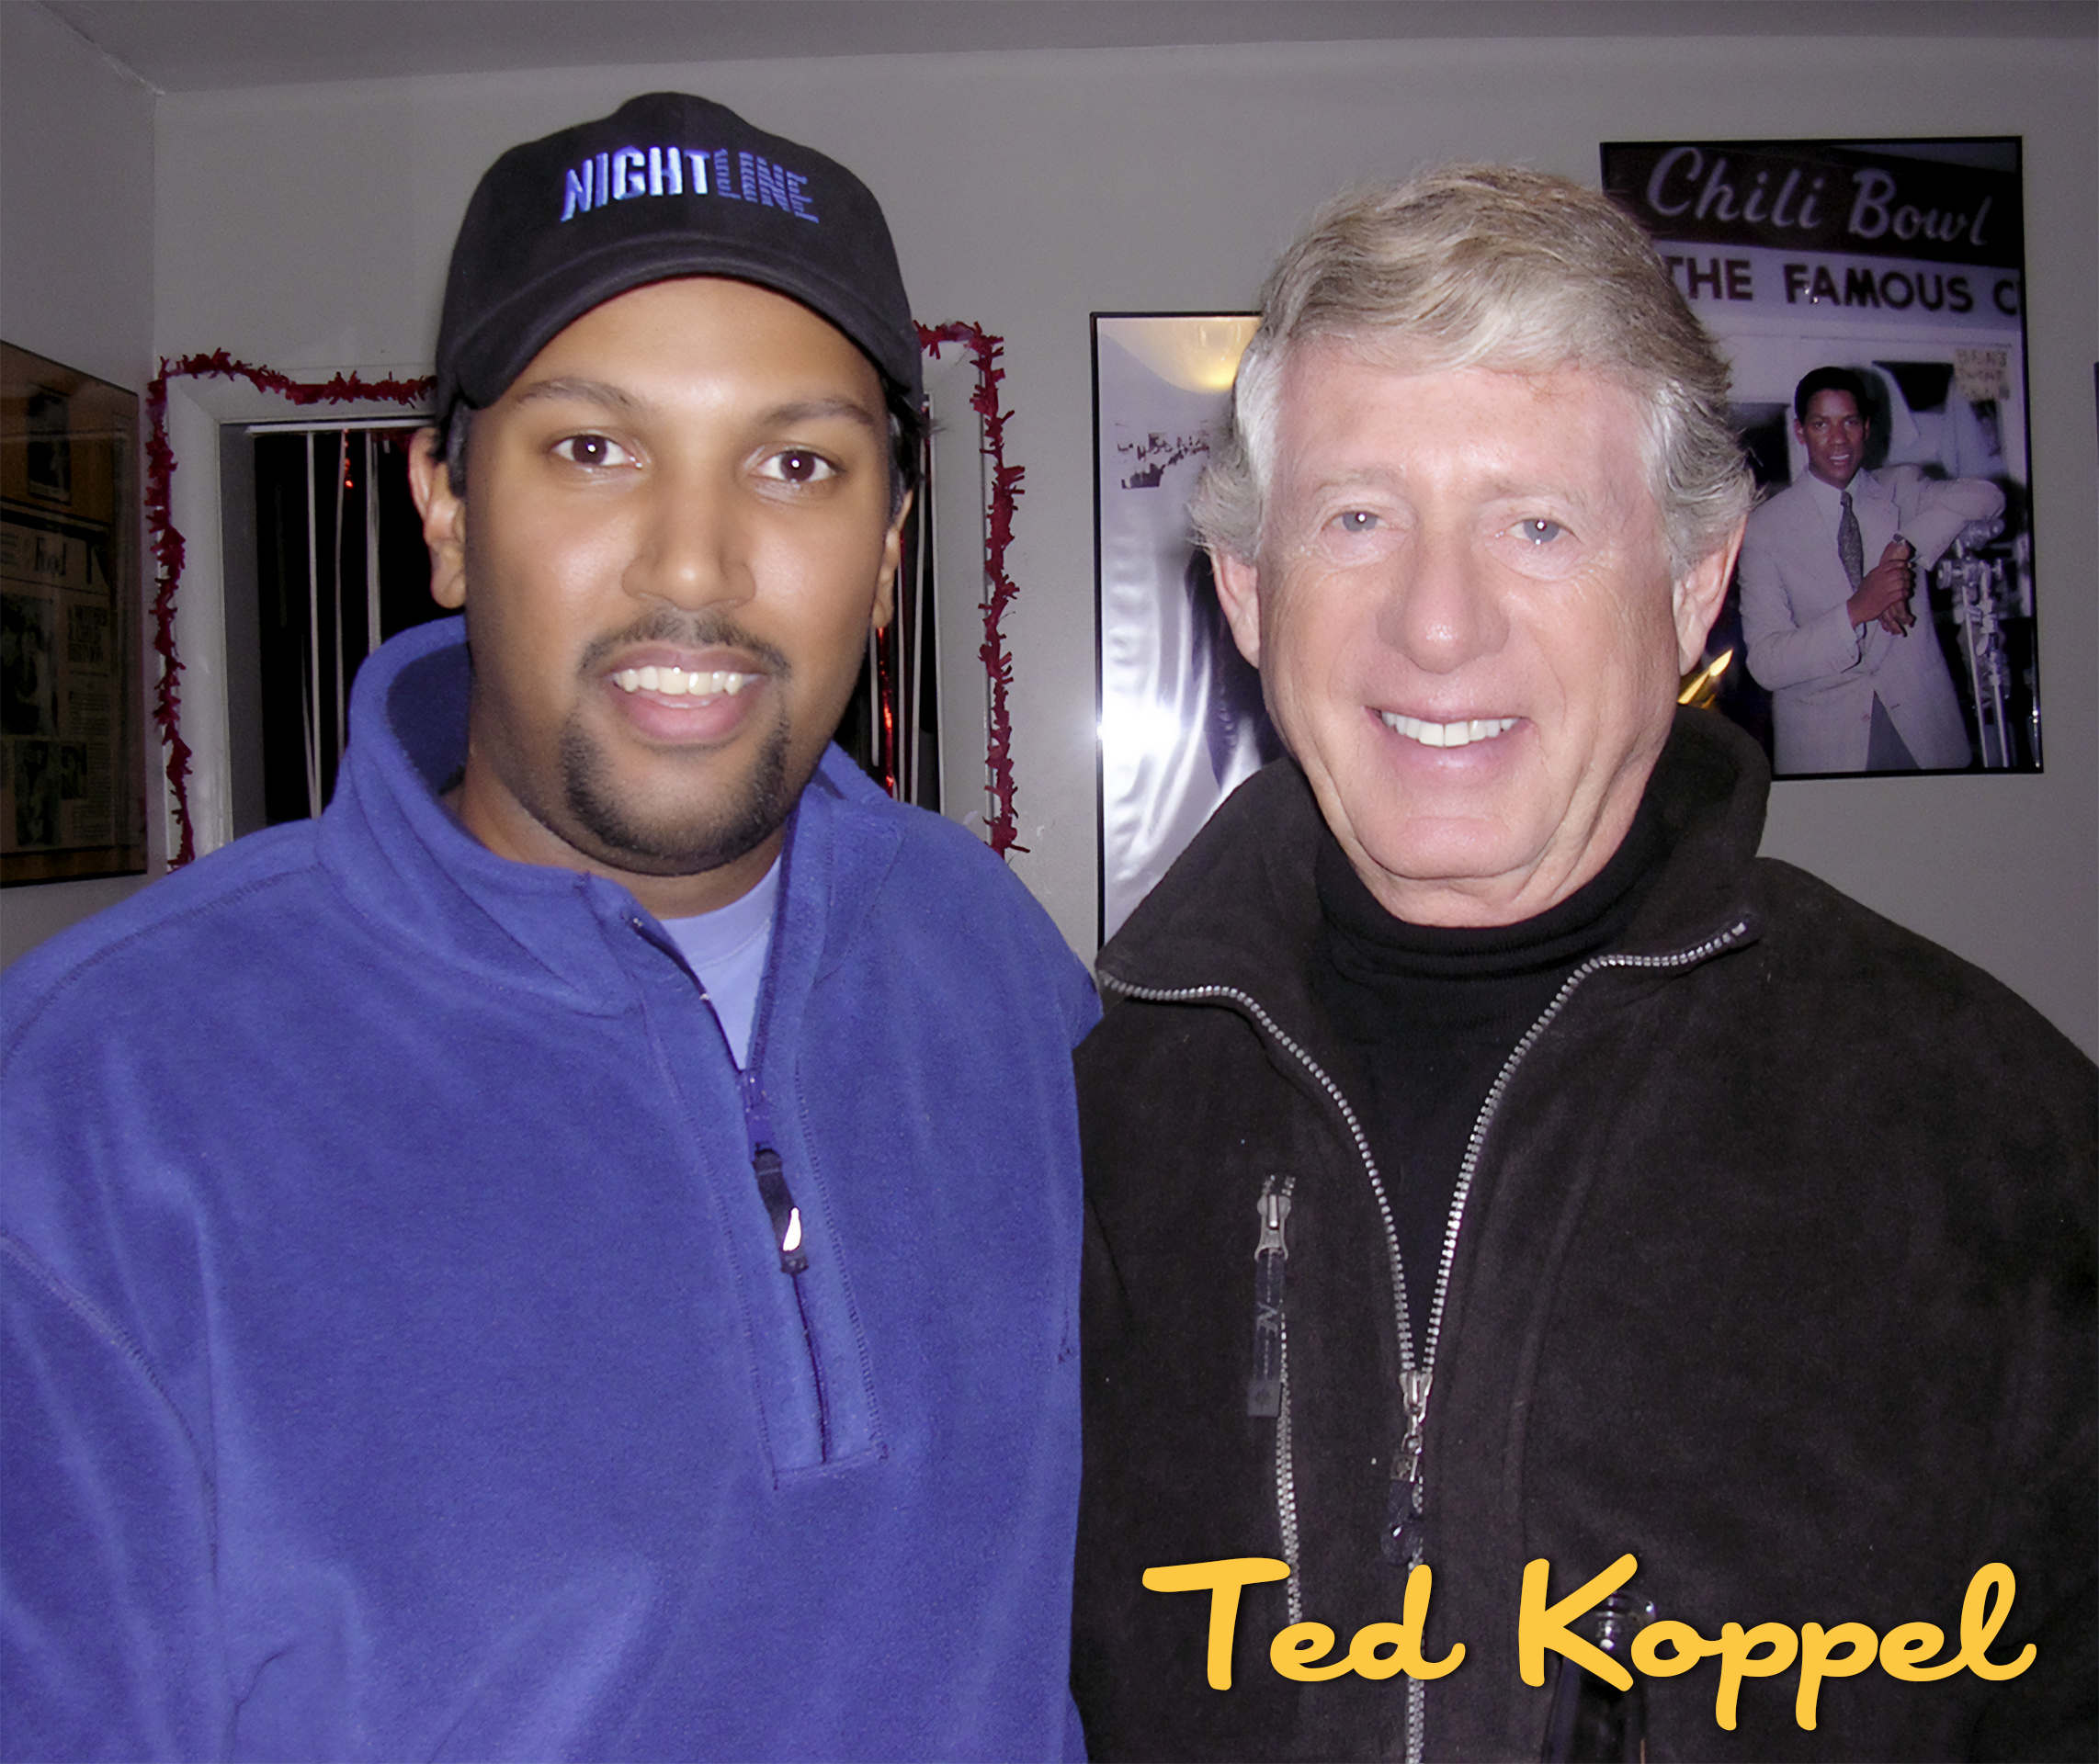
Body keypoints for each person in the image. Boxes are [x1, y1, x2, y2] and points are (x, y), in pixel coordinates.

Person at [0, 93, 1097, 1762]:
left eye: (795, 465)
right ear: (443, 507)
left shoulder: (991, 962)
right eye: (592, 448)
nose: (696, 565)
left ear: (883, 554)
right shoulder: (100, 1092)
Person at [1070, 166, 2098, 1761]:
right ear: (1247, 591)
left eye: (1534, 524)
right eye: (1356, 518)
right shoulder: (1075, 1133)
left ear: (1691, 587)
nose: (1434, 624)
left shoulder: (1997, 1142)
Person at [1739, 366, 2002, 775]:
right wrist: (1856, 610)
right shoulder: (1764, 529)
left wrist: (1903, 548)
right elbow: (1767, 663)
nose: (1838, 439)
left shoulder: (1902, 487)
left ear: (1866, 427)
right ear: (1800, 432)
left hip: (1926, 739)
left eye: (1851, 422)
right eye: (1822, 424)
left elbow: (1987, 496)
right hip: (1825, 749)